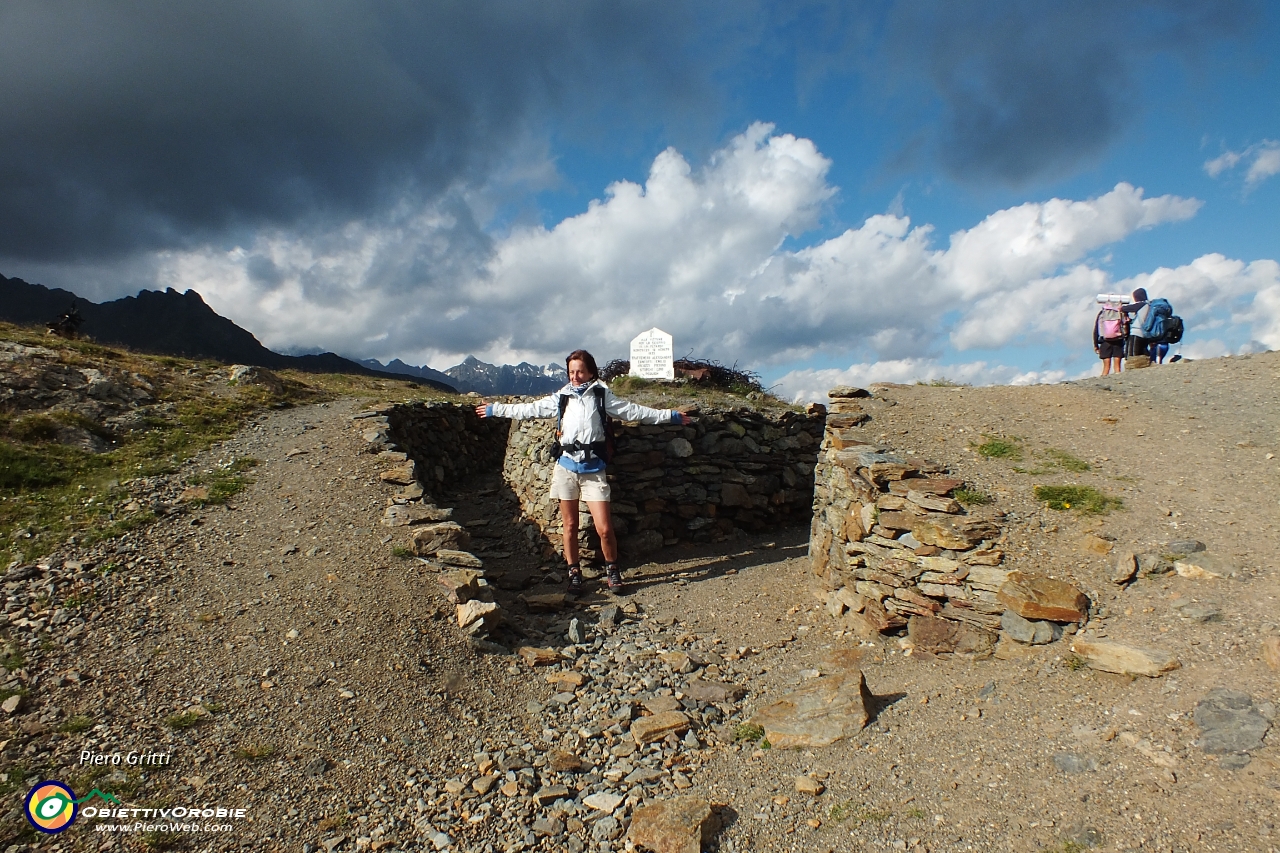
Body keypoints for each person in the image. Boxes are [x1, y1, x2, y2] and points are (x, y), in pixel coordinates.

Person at [475, 349, 692, 593]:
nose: (574, 376)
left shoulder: (601, 395)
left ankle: (612, 570)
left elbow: (634, 411)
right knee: (569, 526)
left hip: (594, 470)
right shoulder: (562, 397)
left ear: (590, 372)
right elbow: (529, 409)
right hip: (566, 467)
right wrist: (496, 409)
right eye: (571, 372)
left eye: (579, 371)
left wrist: (670, 416)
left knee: (605, 528)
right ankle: (574, 572)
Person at [1121, 287, 1156, 361]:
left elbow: (1126, 308)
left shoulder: (1142, 304)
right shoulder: (1149, 306)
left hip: (1136, 333)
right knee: (1143, 354)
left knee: (1132, 356)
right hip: (1145, 334)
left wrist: (1120, 307)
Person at [1093, 299, 1126, 376]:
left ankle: (1102, 383)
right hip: (1118, 341)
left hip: (1105, 342)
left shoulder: (1102, 313)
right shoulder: (1120, 312)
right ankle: (1118, 383)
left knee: (1106, 367)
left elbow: (1096, 330)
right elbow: (1125, 326)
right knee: (1117, 367)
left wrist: (1096, 345)